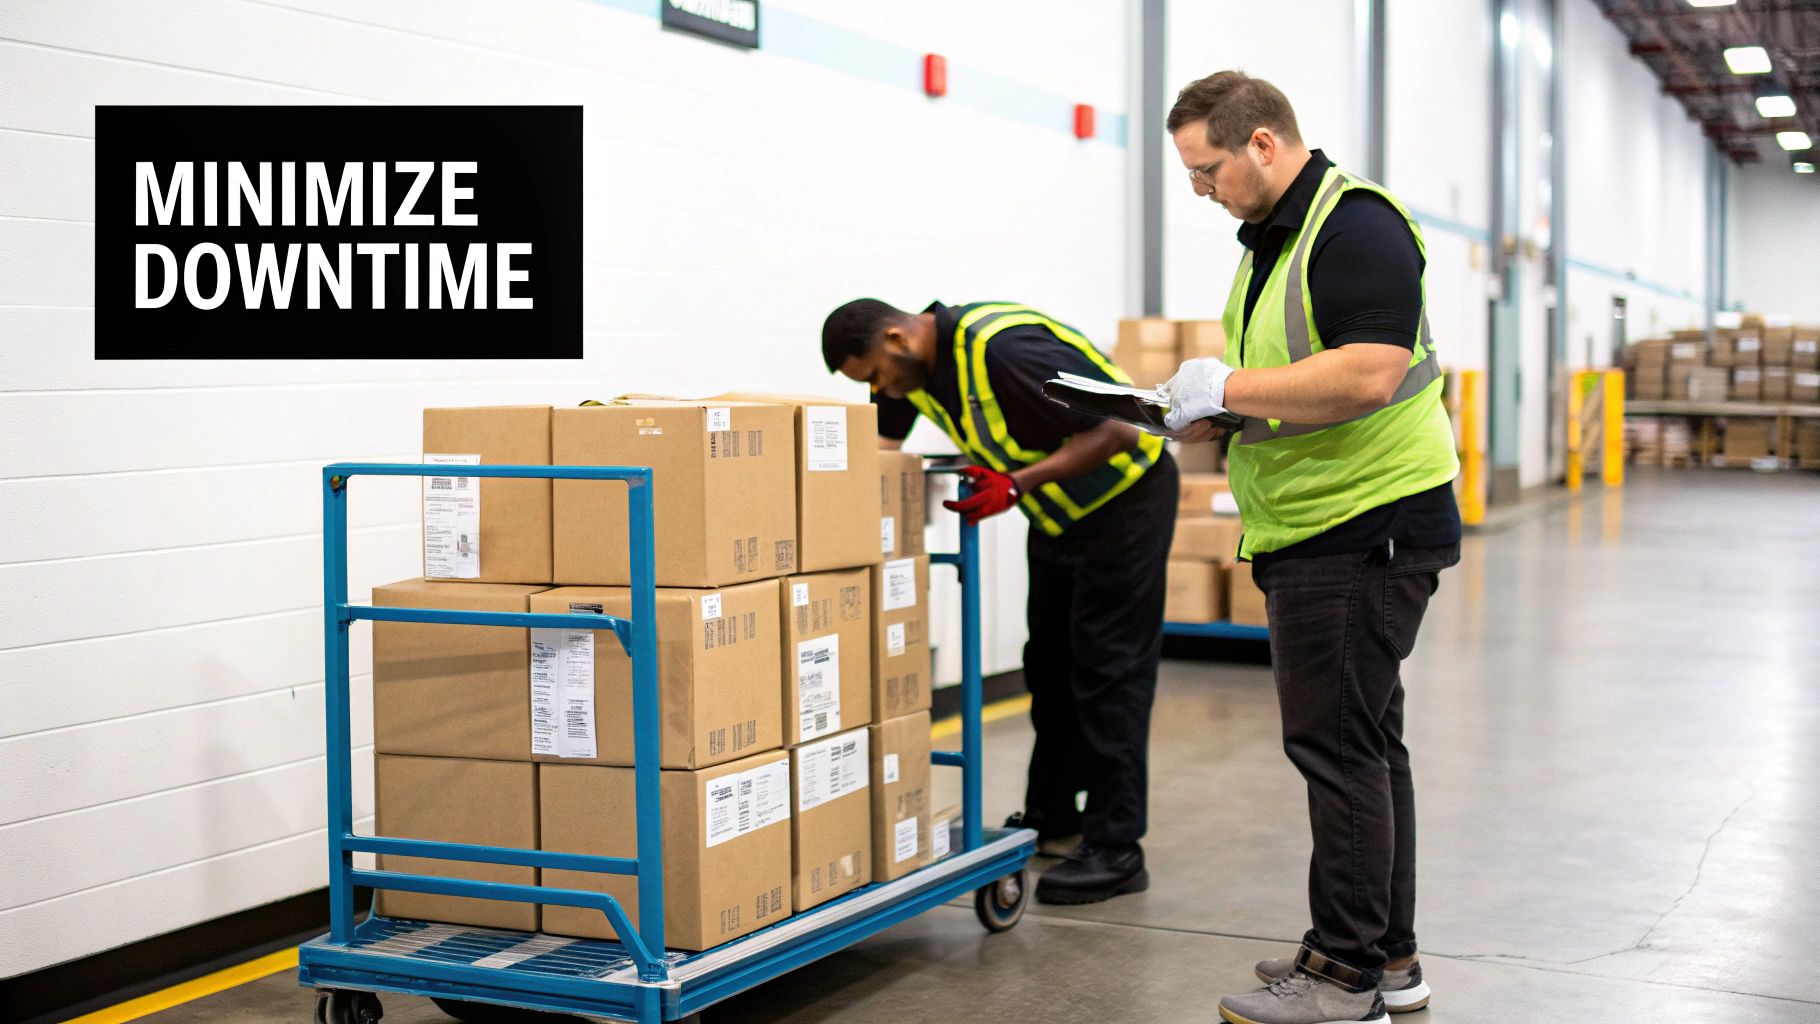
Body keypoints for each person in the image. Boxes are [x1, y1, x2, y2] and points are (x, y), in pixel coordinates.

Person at [1159, 72, 1461, 1024]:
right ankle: (1387, 959)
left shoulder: (1355, 226)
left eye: (1207, 168)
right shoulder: (1275, 242)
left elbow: (1369, 374)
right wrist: (1220, 411)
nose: (1200, 189)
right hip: (1325, 524)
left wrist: (1229, 386)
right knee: (1365, 746)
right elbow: (1300, 384)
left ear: (1261, 143)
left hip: (1360, 527)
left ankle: (1343, 978)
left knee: (1336, 752)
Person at [821, 298, 1177, 904]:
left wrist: (1016, 484)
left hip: (1126, 505)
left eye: (876, 375)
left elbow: (1119, 428)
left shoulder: (1005, 352)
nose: (880, 390)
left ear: (896, 338)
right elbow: (879, 449)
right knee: (1049, 667)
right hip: (1059, 516)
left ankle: (1117, 848)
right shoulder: (911, 372)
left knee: (1109, 671)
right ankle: (1054, 816)